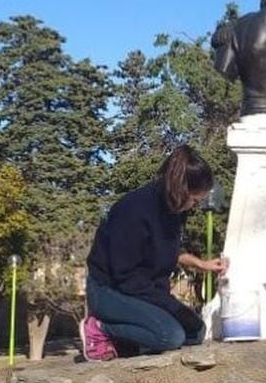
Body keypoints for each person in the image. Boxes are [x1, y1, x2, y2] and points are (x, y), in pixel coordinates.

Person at [84, 145, 227, 359]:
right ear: (182, 190)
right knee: (169, 336)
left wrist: (202, 264)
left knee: (196, 331)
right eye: (195, 201)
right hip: (110, 291)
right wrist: (168, 305)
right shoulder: (133, 211)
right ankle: (99, 328)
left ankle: (129, 341)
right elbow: (127, 278)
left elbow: (166, 250)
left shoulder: (173, 210)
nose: (194, 206)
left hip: (143, 290)